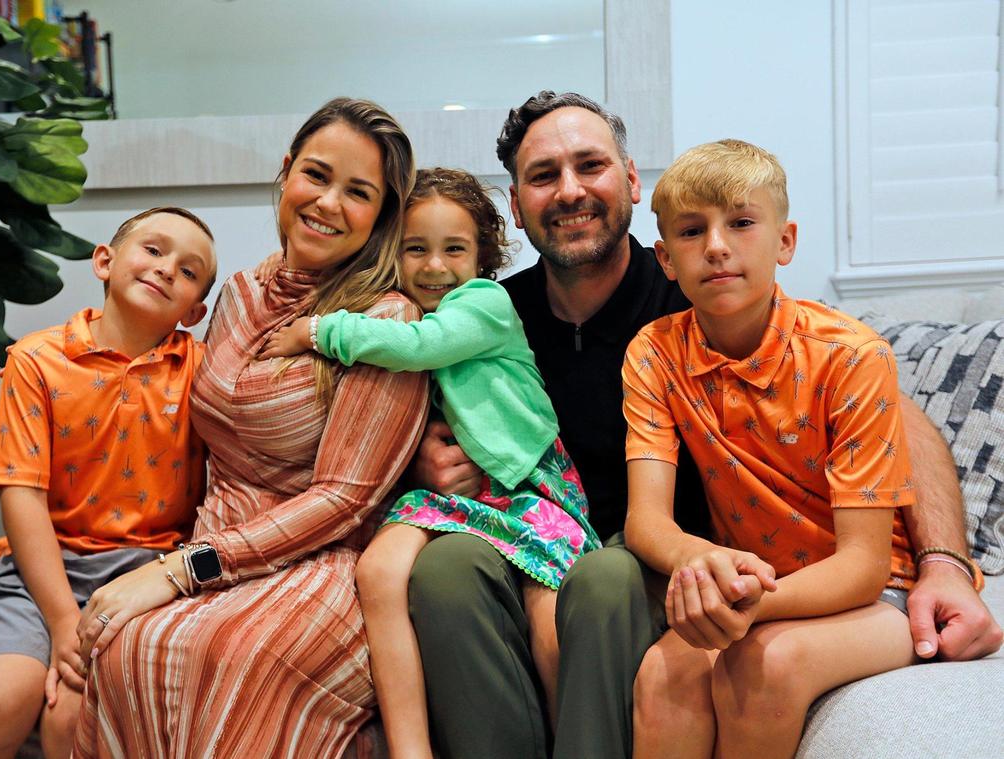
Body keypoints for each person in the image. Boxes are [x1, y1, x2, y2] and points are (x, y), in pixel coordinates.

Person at [408, 91, 1002, 759]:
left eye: (590, 165)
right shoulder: (495, 319)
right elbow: (412, 380)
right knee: (444, 567)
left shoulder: (707, 303)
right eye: (544, 175)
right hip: (563, 534)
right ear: (516, 205)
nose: (570, 189)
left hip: (658, 565)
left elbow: (902, 420)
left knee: (604, 579)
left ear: (631, 180)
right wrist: (423, 456)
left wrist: (945, 562)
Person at [71, 97, 429, 759]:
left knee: (227, 657)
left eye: (358, 192)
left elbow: (346, 498)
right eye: (317, 175)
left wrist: (182, 570)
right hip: (215, 536)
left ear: (381, 216)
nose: (327, 203)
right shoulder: (237, 292)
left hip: (323, 559)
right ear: (287, 170)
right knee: (126, 648)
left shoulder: (387, 320)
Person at [624, 138, 992, 758]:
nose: (716, 246)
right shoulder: (654, 353)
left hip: (880, 595)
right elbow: (647, 520)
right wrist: (705, 565)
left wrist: (745, 603)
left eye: (741, 223)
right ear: (664, 259)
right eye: (691, 232)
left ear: (785, 241)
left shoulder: (850, 355)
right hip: (752, 581)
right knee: (666, 671)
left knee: (767, 663)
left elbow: (864, 565)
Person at [261, 167, 601, 759]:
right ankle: (410, 748)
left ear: (482, 258)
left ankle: (570, 743)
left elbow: (424, 348)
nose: (434, 267)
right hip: (459, 497)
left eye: (454, 249)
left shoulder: (484, 303)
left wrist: (317, 331)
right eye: (415, 248)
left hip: (529, 485)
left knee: (549, 618)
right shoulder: (396, 308)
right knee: (378, 571)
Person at [0, 207, 218, 759]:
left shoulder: (202, 373)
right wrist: (64, 621)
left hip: (146, 571)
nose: (166, 270)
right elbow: (21, 493)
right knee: (1, 698)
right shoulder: (37, 360)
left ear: (195, 308)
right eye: (153, 251)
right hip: (40, 570)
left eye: (188, 271)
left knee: (73, 716)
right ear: (105, 262)